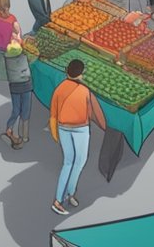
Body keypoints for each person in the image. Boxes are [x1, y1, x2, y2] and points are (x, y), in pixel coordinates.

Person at [50, 58, 108, 216]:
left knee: (68, 162)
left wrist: (55, 133)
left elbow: (53, 113)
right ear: (81, 74)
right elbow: (95, 113)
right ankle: (66, 195)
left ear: (67, 71)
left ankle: (64, 196)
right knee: (79, 161)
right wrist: (105, 128)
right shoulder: (84, 91)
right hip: (80, 129)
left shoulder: (59, 89)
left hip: (63, 129)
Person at [4, 37, 33, 149]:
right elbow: (33, 57)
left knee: (16, 110)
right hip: (26, 86)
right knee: (25, 111)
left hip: (14, 87)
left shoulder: (7, 59)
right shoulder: (24, 57)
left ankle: (9, 129)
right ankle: (24, 136)